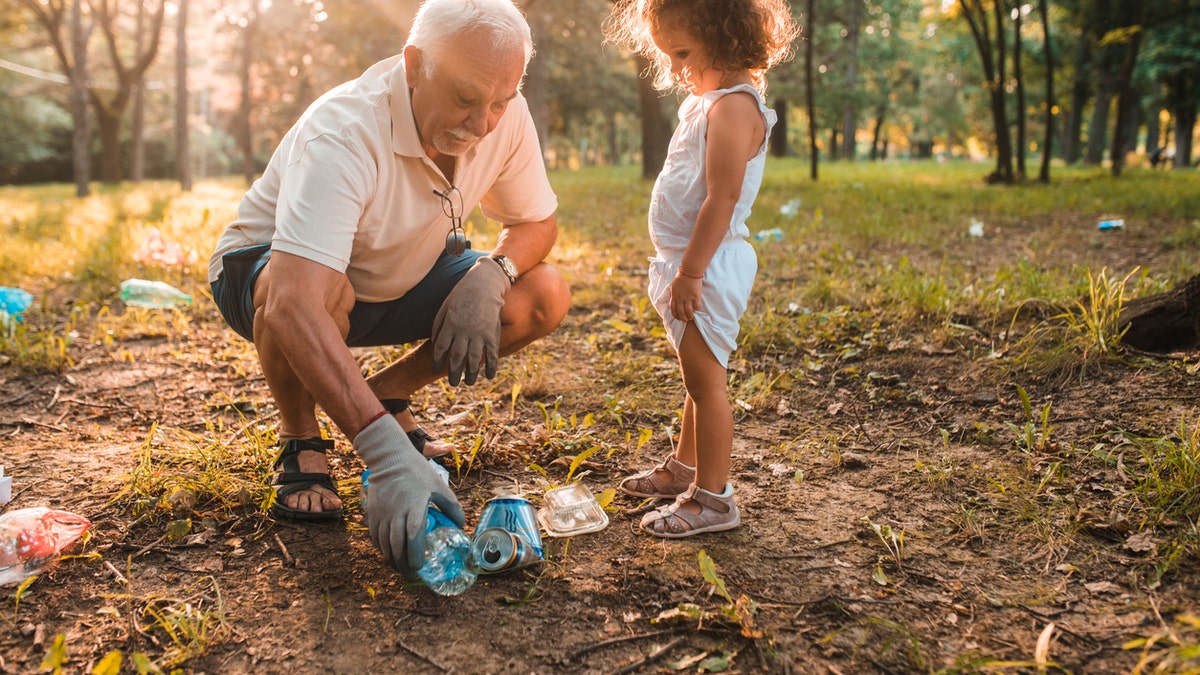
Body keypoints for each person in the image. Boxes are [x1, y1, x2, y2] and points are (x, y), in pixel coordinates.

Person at [207, 0, 569, 578]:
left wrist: (490, 274)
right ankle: (302, 440)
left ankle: (383, 397)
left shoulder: (506, 112)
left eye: (500, 102)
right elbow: (295, 304)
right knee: (299, 289)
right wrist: (384, 455)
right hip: (272, 276)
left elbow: (536, 223)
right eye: (466, 98)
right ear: (415, 64)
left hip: (399, 274)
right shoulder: (346, 129)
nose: (483, 125)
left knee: (542, 291)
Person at [605, 0, 798, 537]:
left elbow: (722, 198)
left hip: (706, 267)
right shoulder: (712, 100)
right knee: (696, 379)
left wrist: (689, 274)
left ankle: (714, 498)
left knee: (707, 384)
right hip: (689, 265)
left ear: (724, 33)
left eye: (683, 53)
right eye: (668, 56)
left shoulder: (735, 106)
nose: (674, 69)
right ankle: (685, 469)